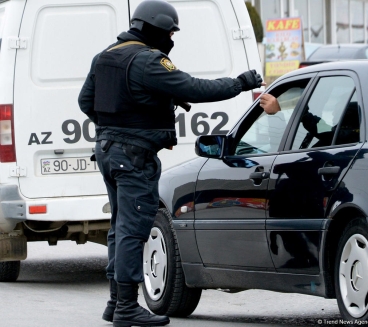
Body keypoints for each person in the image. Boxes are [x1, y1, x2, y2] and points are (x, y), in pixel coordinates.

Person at [78, 1, 264, 326]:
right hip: (134, 157)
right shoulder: (148, 61)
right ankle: (125, 308)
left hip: (108, 152)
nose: (172, 38)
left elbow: (85, 101)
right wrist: (240, 83)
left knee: (120, 228)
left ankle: (113, 302)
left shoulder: (105, 56)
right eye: (170, 32)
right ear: (155, 28)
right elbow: (195, 87)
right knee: (133, 231)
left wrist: (118, 125)